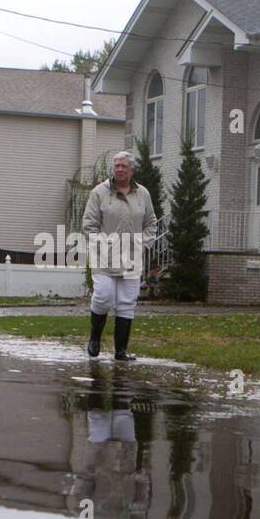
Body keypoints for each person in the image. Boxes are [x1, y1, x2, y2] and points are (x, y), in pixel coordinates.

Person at [81, 150, 158, 361]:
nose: (120, 169)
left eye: (124, 166)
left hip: (132, 257)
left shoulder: (143, 194)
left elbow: (151, 223)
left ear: (132, 169)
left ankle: (120, 351)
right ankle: (94, 338)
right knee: (104, 296)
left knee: (126, 302)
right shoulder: (99, 193)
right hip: (104, 256)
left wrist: (142, 243)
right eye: (117, 166)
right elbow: (89, 226)